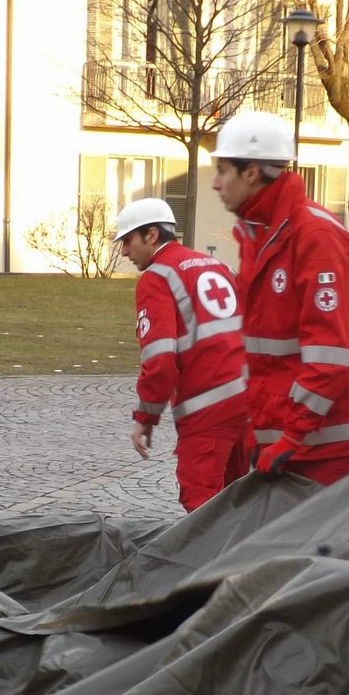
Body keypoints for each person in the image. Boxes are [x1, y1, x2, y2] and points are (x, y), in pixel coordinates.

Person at [209, 110, 349, 485]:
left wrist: (292, 434)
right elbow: (263, 353)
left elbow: (329, 356)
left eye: (222, 169)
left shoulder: (315, 238)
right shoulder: (257, 235)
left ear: (252, 173)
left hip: (332, 448)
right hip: (294, 443)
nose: (215, 183)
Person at [114, 197, 250, 512]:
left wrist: (145, 418)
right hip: (249, 404)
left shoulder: (156, 277)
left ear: (151, 235)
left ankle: (211, 563)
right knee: (240, 502)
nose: (123, 252)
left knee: (202, 507)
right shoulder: (219, 266)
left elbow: (160, 361)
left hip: (207, 411)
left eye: (127, 240)